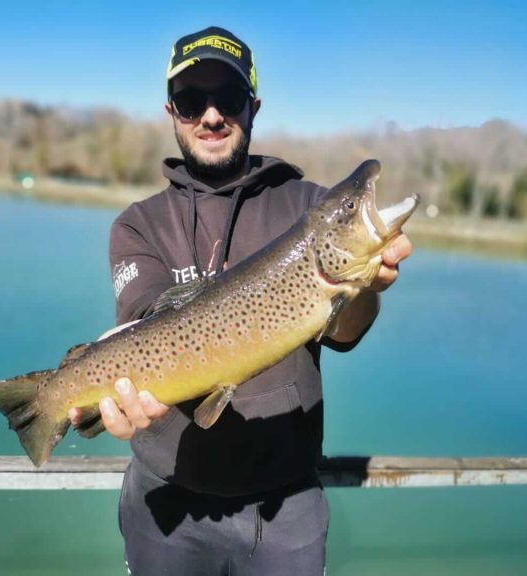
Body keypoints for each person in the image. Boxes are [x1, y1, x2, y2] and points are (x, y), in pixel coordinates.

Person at [70, 26, 412, 575]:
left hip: (288, 508)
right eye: (190, 101)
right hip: (167, 505)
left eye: (227, 99)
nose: (210, 116)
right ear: (171, 111)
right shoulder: (138, 224)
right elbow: (142, 320)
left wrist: (365, 286)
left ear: (252, 107)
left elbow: (345, 331)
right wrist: (105, 386)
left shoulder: (310, 206)